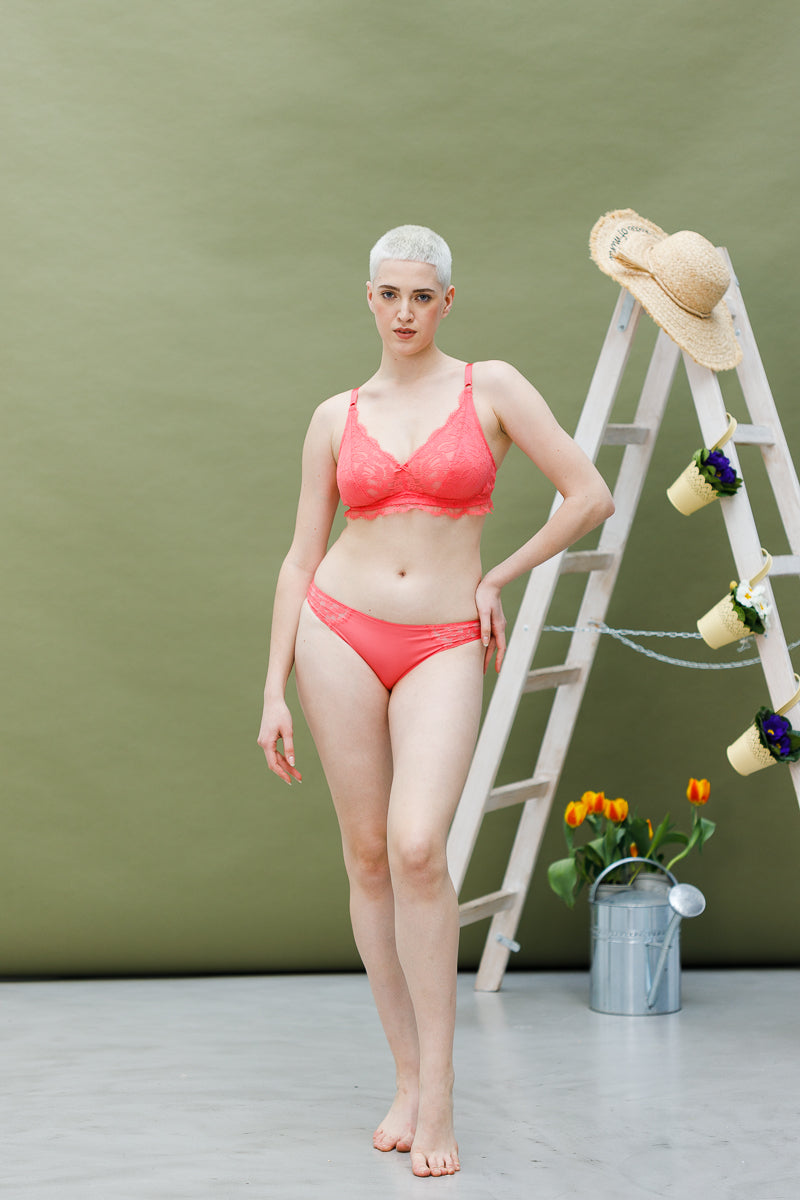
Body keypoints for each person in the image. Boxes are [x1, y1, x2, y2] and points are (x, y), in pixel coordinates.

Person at [257, 225, 614, 1178]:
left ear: (447, 302)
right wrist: (272, 688)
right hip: (337, 632)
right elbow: (299, 558)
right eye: (390, 294)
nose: (405, 311)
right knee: (369, 856)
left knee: (419, 846)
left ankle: (444, 1096)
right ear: (369, 299)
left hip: (444, 640)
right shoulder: (335, 415)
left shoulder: (490, 386)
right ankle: (407, 1079)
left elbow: (589, 494)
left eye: (423, 295)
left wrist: (496, 578)